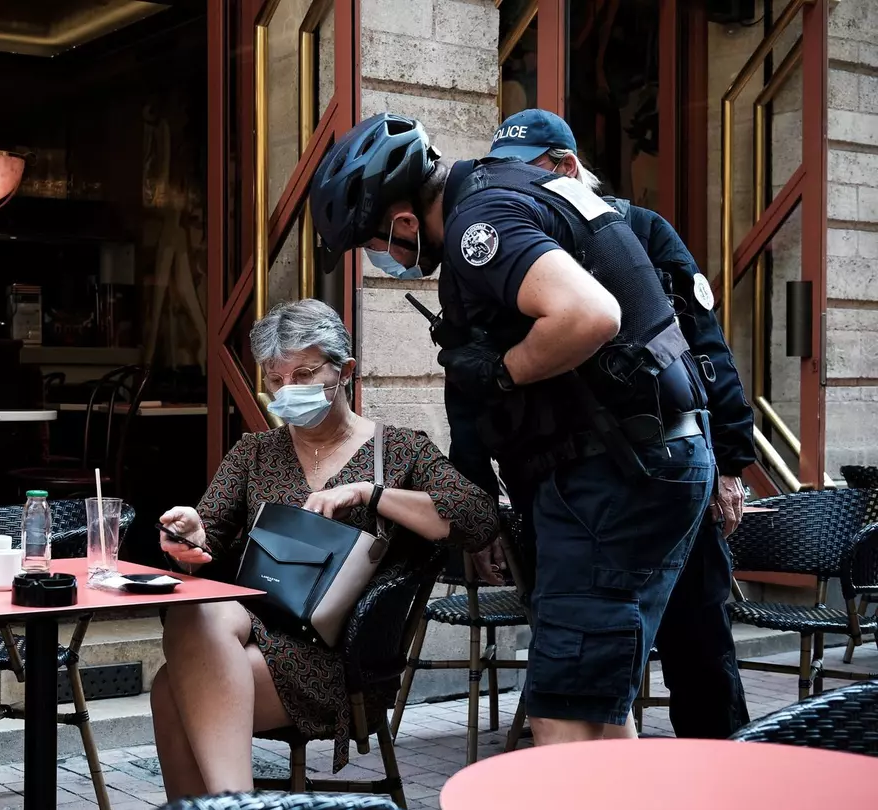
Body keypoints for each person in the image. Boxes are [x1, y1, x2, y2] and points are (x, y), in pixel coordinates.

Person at [310, 113, 715, 746]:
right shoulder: (513, 189)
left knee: (562, 716)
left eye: (374, 243)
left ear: (406, 223)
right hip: (644, 461)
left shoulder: (482, 222)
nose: (381, 258)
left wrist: (504, 371)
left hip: (614, 474)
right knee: (598, 704)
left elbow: (590, 314)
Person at [149, 299, 499, 798]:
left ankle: (229, 807)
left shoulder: (398, 450)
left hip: (340, 657)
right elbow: (208, 535)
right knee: (194, 611)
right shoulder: (254, 452)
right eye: (275, 380)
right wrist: (188, 537)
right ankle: (236, 805)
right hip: (248, 631)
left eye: (304, 374)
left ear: (346, 371)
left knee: (169, 687)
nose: (288, 391)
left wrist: (369, 493)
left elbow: (476, 516)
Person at [482, 108, 752, 737]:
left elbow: (705, 350)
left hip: (665, 460)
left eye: (532, 173)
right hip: (578, 484)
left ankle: (720, 773)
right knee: (588, 659)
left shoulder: (640, 230)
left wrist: (731, 466)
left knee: (699, 637)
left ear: (568, 168)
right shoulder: (517, 244)